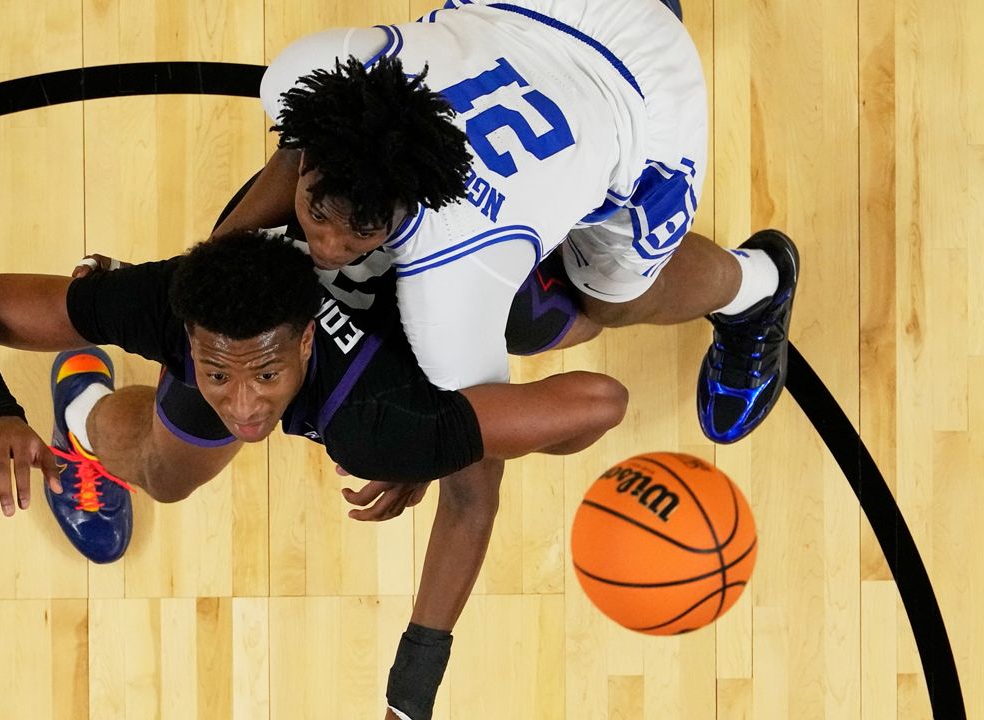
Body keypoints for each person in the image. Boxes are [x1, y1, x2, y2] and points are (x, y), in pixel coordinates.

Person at [0, 229, 625, 718]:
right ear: (188, 332)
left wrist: (450, 440)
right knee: (165, 475)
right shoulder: (169, 300)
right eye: (217, 372)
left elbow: (599, 404)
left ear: (307, 340)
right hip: (294, 312)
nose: (244, 407)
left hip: (413, 338)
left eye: (264, 375)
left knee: (587, 313)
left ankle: (729, 285)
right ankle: (82, 409)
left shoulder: (375, 419)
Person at [214, 0, 800, 448]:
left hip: (640, 84)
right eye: (319, 216)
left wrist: (422, 456)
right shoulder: (310, 73)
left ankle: (761, 285)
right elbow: (300, 141)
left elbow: (491, 426)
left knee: (606, 304)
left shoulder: (449, 279)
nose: (328, 248)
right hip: (525, 14)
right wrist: (216, 258)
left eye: (359, 235)